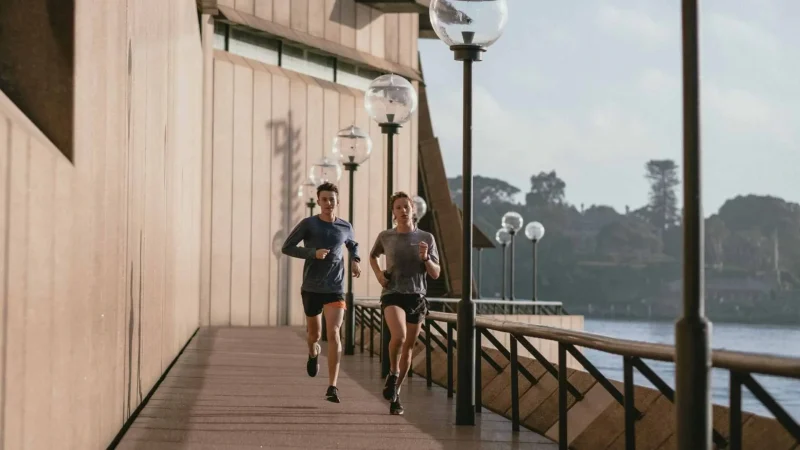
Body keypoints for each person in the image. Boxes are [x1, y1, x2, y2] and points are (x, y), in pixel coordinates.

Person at [282, 182, 361, 403]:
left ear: (338, 202)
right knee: (314, 335)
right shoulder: (309, 224)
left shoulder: (345, 226)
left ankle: (333, 386)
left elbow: (353, 244)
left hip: (335, 288)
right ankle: (312, 352)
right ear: (318, 201)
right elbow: (287, 247)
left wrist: (355, 260)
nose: (328, 203)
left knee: (334, 333)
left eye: (332, 199)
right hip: (311, 287)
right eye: (324, 199)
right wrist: (312, 253)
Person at [369, 192, 441, 415]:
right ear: (393, 212)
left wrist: (427, 258)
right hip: (393, 293)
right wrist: (380, 276)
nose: (402, 211)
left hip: (416, 297)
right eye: (398, 207)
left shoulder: (426, 238)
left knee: (408, 349)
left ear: (413, 210)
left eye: (406, 207)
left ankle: (396, 394)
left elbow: (436, 274)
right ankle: (392, 372)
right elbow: (373, 256)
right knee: (398, 336)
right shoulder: (386, 236)